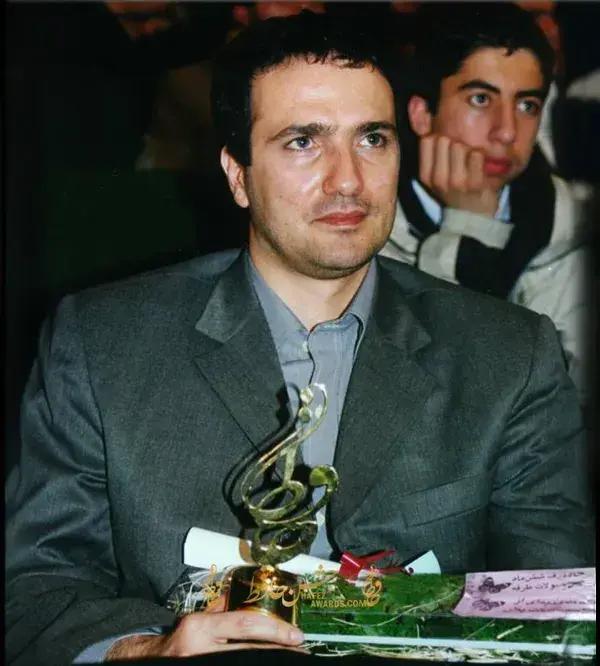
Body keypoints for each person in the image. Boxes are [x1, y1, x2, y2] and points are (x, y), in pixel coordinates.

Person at [5, 11, 593, 666]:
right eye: (303, 142)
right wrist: (146, 649)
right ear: (238, 174)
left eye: (372, 138)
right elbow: (35, 586)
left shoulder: (510, 355)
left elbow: (559, 606)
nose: (348, 179)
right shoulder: (103, 344)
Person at [379, 2, 593, 408]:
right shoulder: (368, 219)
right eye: (480, 99)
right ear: (422, 114)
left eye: (527, 105)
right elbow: (415, 394)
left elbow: (566, 399)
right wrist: (466, 231)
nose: (507, 131)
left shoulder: (561, 219)